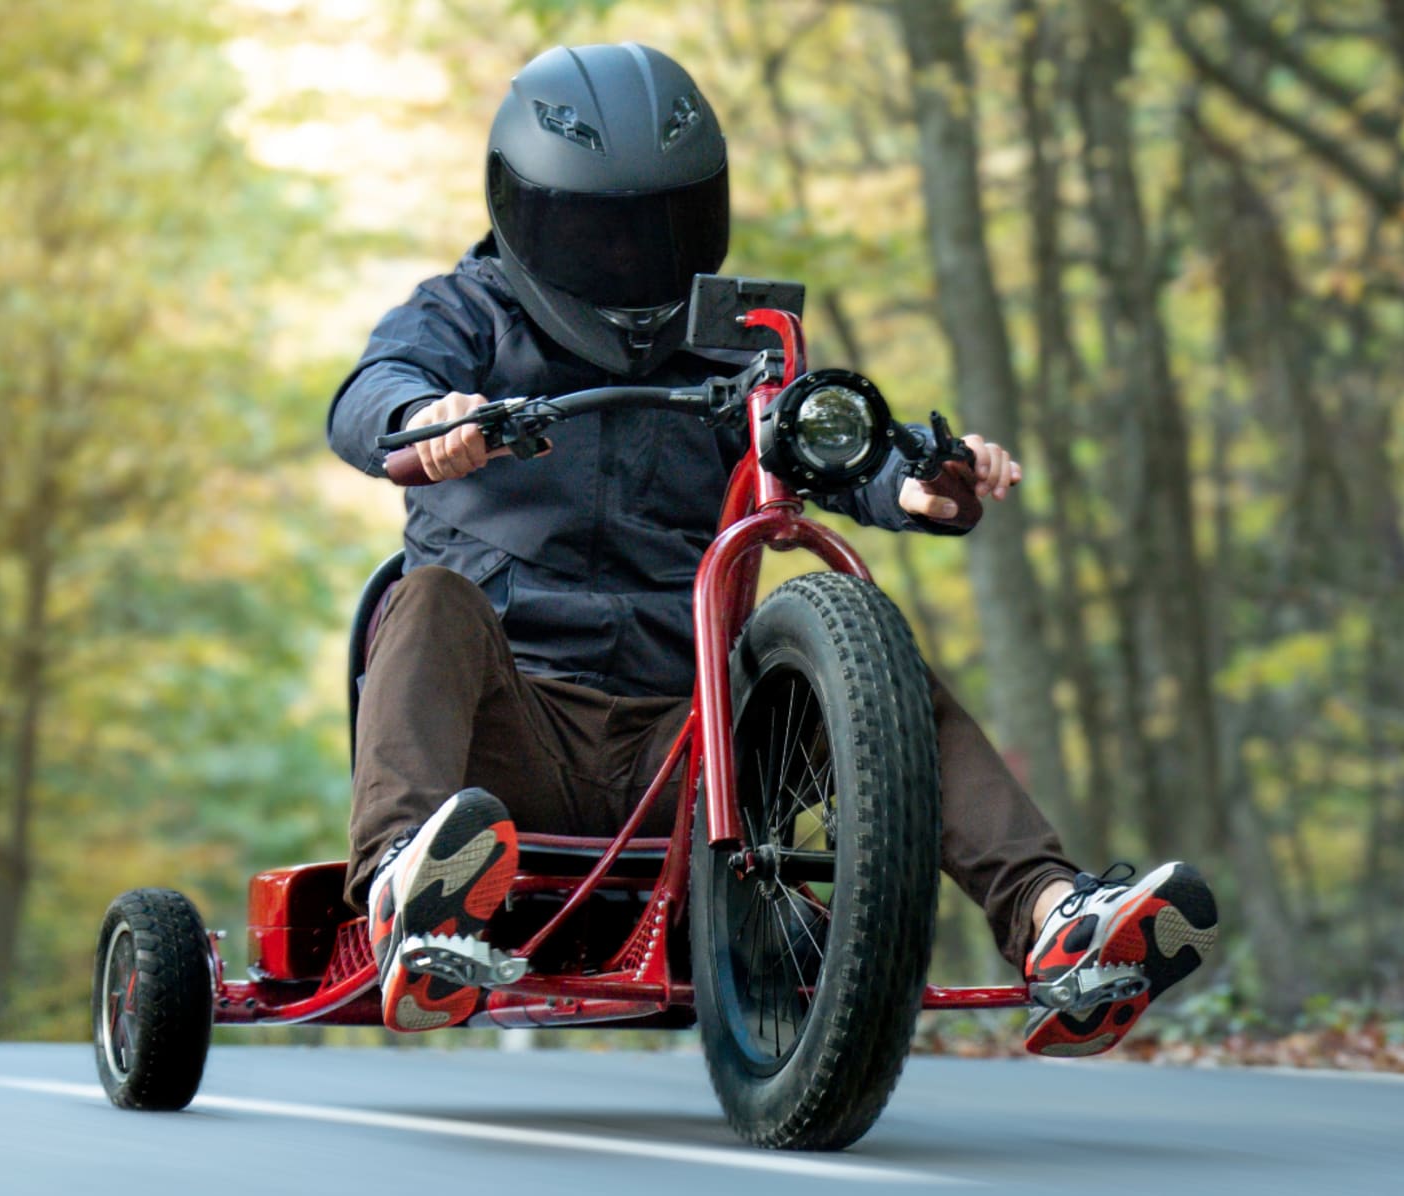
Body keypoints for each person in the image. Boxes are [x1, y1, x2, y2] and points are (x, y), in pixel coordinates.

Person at [326, 42, 1217, 1049]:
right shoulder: (461, 314)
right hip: (510, 734)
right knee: (430, 594)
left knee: (872, 661)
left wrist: (916, 478)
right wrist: (426, 416)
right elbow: (369, 397)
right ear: (522, 211)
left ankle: (1058, 917)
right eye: (596, 233)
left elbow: (825, 433)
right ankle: (412, 882)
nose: (627, 260)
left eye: (653, 228)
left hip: (692, 744)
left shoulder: (734, 342)